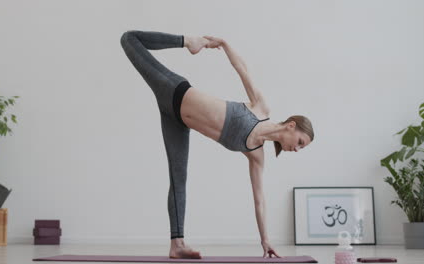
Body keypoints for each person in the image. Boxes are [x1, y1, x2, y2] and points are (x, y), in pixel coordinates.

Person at [120, 30, 314, 259]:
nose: (298, 149)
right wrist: (225, 44)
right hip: (175, 90)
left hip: (176, 121)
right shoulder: (261, 109)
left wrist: (265, 240)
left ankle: (177, 244)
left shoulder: (256, 154)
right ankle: (187, 41)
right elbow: (243, 70)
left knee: (178, 178)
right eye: (301, 142)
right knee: (129, 39)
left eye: (302, 148)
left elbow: (259, 200)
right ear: (291, 125)